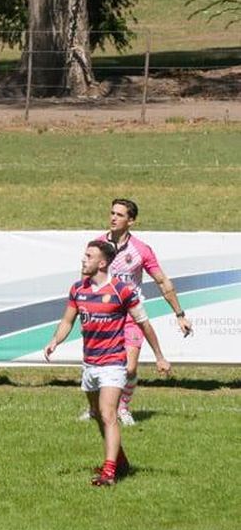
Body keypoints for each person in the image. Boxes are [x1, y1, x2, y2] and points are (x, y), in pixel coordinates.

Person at [44, 240, 172, 486]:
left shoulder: (121, 291)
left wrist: (159, 356)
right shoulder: (78, 289)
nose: (83, 259)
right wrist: (55, 341)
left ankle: (109, 472)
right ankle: (121, 463)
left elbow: (144, 323)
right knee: (97, 415)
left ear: (102, 263)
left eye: (88, 256)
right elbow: (67, 322)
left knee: (108, 413)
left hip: (113, 363)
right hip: (89, 364)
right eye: (84, 255)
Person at [95, 197, 193, 425]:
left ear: (131, 221)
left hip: (131, 315)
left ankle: (123, 408)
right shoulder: (98, 245)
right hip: (104, 316)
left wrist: (180, 315)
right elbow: (86, 279)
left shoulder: (141, 250)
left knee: (129, 368)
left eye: (119, 215)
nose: (113, 217)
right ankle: (96, 409)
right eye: (112, 213)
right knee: (100, 368)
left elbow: (162, 281)